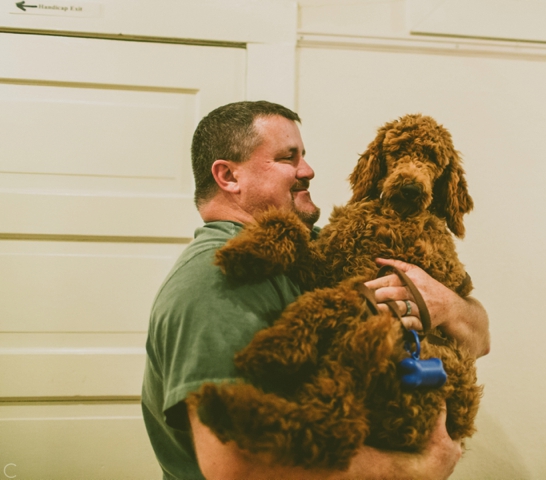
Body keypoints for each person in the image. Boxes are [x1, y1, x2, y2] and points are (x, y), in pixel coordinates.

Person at [141, 101, 490, 480]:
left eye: (303, 156)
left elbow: (480, 339)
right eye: (287, 158)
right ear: (228, 177)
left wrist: (448, 307)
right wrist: (417, 468)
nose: (308, 170)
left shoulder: (323, 248)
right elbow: (236, 466)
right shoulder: (215, 279)